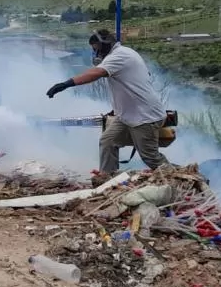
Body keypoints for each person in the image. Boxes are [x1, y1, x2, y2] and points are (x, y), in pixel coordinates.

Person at [45, 29, 170, 178]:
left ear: (104, 45)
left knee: (151, 158)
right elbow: (129, 85)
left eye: (95, 49)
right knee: (108, 141)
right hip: (127, 115)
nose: (95, 54)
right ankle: (107, 180)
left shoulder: (118, 56)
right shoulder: (124, 53)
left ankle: (186, 176)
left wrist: (66, 84)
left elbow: (96, 73)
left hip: (144, 116)